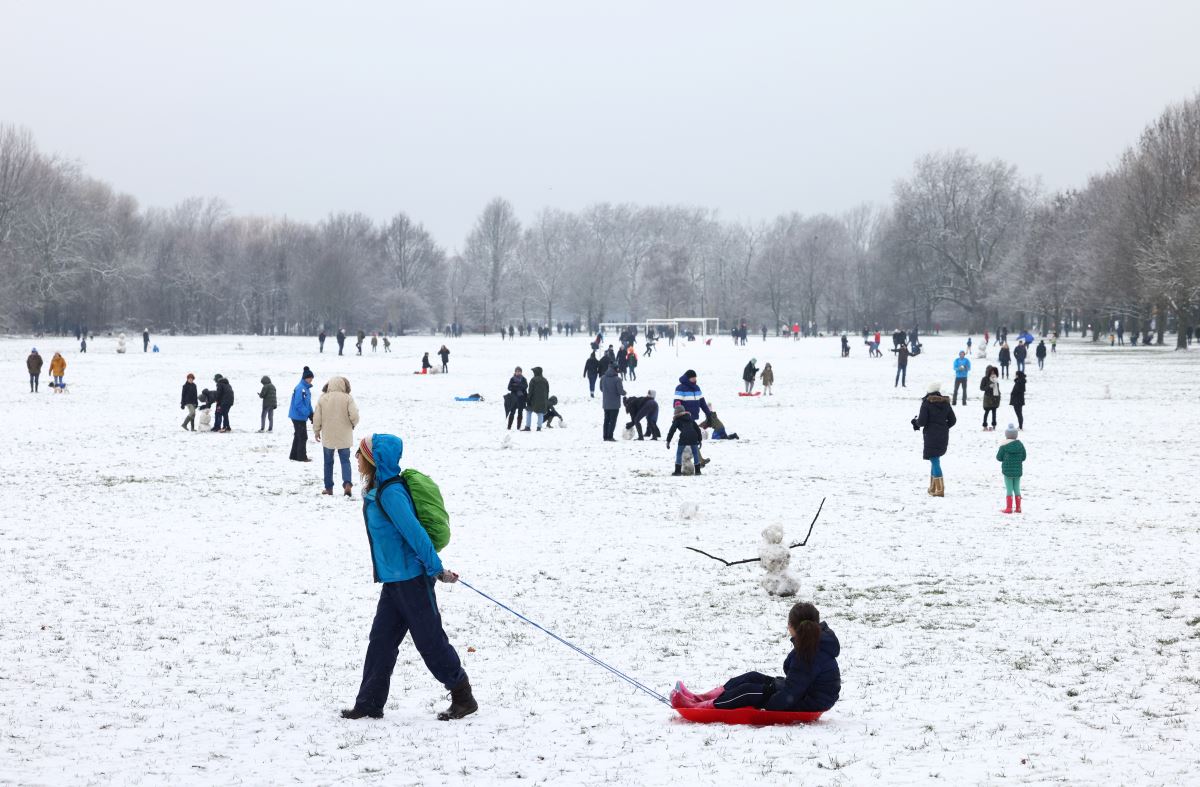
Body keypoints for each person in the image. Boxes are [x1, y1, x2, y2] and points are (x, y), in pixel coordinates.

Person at [341, 434, 476, 722]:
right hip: (395, 578)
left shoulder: (391, 493)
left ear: (373, 460)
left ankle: (463, 695)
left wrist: (436, 568)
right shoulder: (381, 489)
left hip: (411, 578)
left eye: (360, 454)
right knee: (381, 640)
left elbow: (414, 532)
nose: (356, 459)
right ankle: (369, 703)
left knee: (429, 640)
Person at [671, 602, 839, 713]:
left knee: (749, 691)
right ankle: (700, 698)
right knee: (752, 677)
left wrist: (767, 706)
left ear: (793, 627)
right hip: (805, 693)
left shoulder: (809, 652)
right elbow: (796, 680)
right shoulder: (814, 642)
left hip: (810, 702)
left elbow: (792, 692)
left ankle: (698, 708)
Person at [314, 376, 360, 496]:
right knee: (345, 461)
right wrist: (352, 424)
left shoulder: (323, 398)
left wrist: (317, 430)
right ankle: (347, 484)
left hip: (328, 435)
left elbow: (317, 416)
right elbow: (354, 415)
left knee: (328, 462)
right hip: (344, 435)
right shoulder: (347, 398)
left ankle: (329, 488)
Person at [914, 381, 956, 496]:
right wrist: (944, 427)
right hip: (943, 435)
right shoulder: (946, 403)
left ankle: (940, 489)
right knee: (935, 459)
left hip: (930, 435)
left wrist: (915, 423)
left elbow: (922, 422)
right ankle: (933, 488)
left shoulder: (926, 403)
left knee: (934, 459)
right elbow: (953, 420)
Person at [996, 423, 1027, 514]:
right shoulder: (1020, 445)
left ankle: (1009, 508)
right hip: (1017, 471)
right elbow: (1024, 457)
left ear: (1007, 435)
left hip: (1007, 471)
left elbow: (998, 457)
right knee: (1017, 488)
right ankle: (1018, 508)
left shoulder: (1004, 446)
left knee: (1009, 489)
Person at [666, 404, 703, 476]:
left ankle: (677, 471)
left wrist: (668, 441)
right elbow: (697, 429)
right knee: (695, 453)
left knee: (679, 453)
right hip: (693, 436)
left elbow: (672, 430)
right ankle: (698, 471)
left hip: (684, 437)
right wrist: (700, 440)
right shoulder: (690, 418)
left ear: (676, 412)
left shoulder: (677, 420)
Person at [288, 367, 316, 462]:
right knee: (303, 436)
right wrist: (308, 413)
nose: (311, 379)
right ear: (305, 378)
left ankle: (293, 455)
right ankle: (301, 457)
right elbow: (298, 404)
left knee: (298, 436)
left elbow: (308, 404)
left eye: (312, 378)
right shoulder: (300, 388)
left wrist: (311, 413)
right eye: (310, 378)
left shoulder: (306, 389)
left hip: (300, 416)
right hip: (297, 416)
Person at [599, 363, 625, 441]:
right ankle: (610, 436)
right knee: (612, 421)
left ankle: (605, 436)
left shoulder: (603, 378)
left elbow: (601, 389)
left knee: (606, 420)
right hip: (614, 404)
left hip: (606, 403)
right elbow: (620, 391)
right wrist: (624, 393)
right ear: (615, 369)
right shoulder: (617, 379)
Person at [524, 366, 550, 431]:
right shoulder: (545, 380)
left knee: (529, 411)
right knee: (540, 413)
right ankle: (539, 427)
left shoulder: (533, 380)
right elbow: (547, 391)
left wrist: (528, 399)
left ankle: (527, 427)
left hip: (533, 400)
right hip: (542, 401)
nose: (533, 373)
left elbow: (530, 391)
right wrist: (546, 400)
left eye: (534, 372)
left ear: (536, 372)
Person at [980, 365, 1001, 430]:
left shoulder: (995, 378)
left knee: (994, 413)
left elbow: (997, 388)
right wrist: (989, 386)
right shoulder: (984, 379)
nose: (992, 373)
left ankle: (994, 426)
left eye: (993, 372)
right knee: (986, 412)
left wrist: (999, 395)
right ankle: (984, 425)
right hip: (988, 397)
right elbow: (981, 388)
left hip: (995, 397)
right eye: (991, 372)